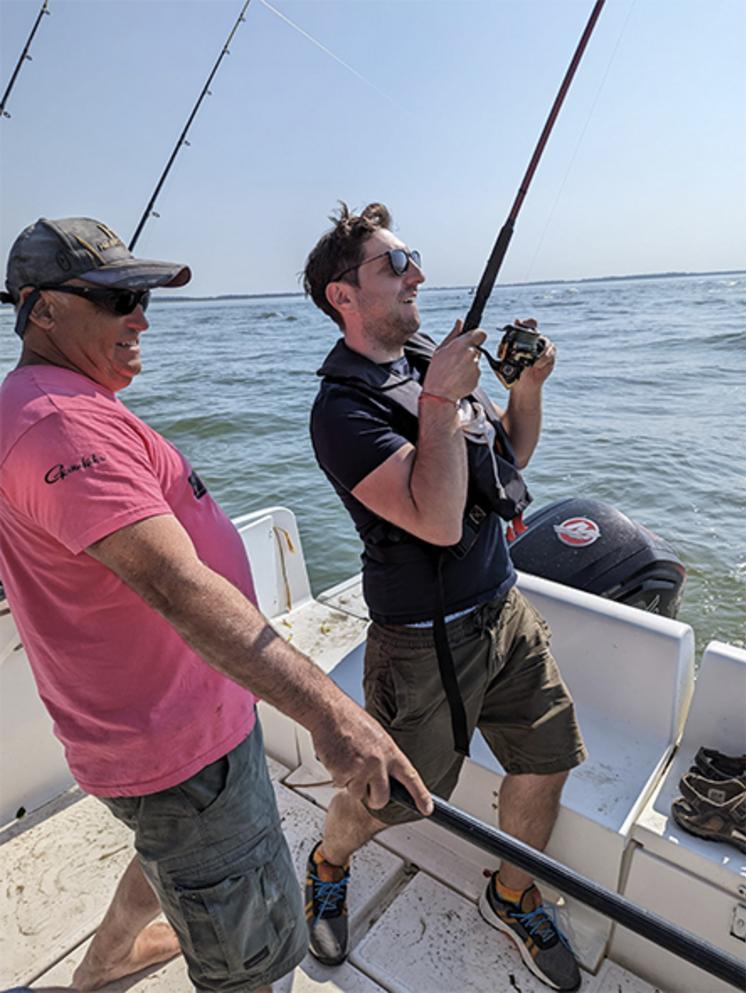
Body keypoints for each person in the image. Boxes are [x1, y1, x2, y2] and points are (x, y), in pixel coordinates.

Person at [0, 217, 432, 993]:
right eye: (119, 297)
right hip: (176, 749)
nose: (140, 316)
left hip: (165, 737)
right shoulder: (60, 420)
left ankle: (104, 962)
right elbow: (174, 584)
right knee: (248, 960)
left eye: (143, 297)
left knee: (174, 850)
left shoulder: (53, 400)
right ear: (41, 310)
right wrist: (336, 716)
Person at [302, 203, 587, 992]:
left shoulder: (426, 354)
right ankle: (327, 862)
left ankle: (512, 887)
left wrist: (524, 386)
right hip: (422, 642)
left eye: (412, 258)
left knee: (547, 757)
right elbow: (430, 520)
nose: (417, 275)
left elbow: (508, 454)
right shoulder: (341, 411)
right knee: (393, 799)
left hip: (504, 607)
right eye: (395, 265)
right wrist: (435, 400)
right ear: (342, 297)